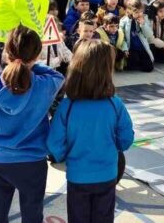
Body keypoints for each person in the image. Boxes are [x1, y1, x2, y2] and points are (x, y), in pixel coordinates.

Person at [0, 26, 64, 223]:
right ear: (37, 55)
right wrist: (31, 65)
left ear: (6, 53)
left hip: (0, 159)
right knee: (32, 213)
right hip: (33, 161)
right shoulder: (45, 85)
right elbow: (59, 76)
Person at [48, 40, 135, 223]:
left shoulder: (68, 105)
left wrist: (66, 155)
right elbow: (126, 140)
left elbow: (54, 145)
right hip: (107, 175)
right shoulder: (114, 104)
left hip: (77, 176)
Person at [119, 0, 155, 73]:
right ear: (130, 11)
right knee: (132, 64)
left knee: (149, 68)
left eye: (141, 11)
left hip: (142, 48)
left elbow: (149, 35)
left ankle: (140, 62)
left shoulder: (144, 18)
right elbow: (122, 38)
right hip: (131, 48)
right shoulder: (124, 21)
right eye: (136, 12)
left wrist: (143, 24)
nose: (140, 14)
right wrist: (125, 48)